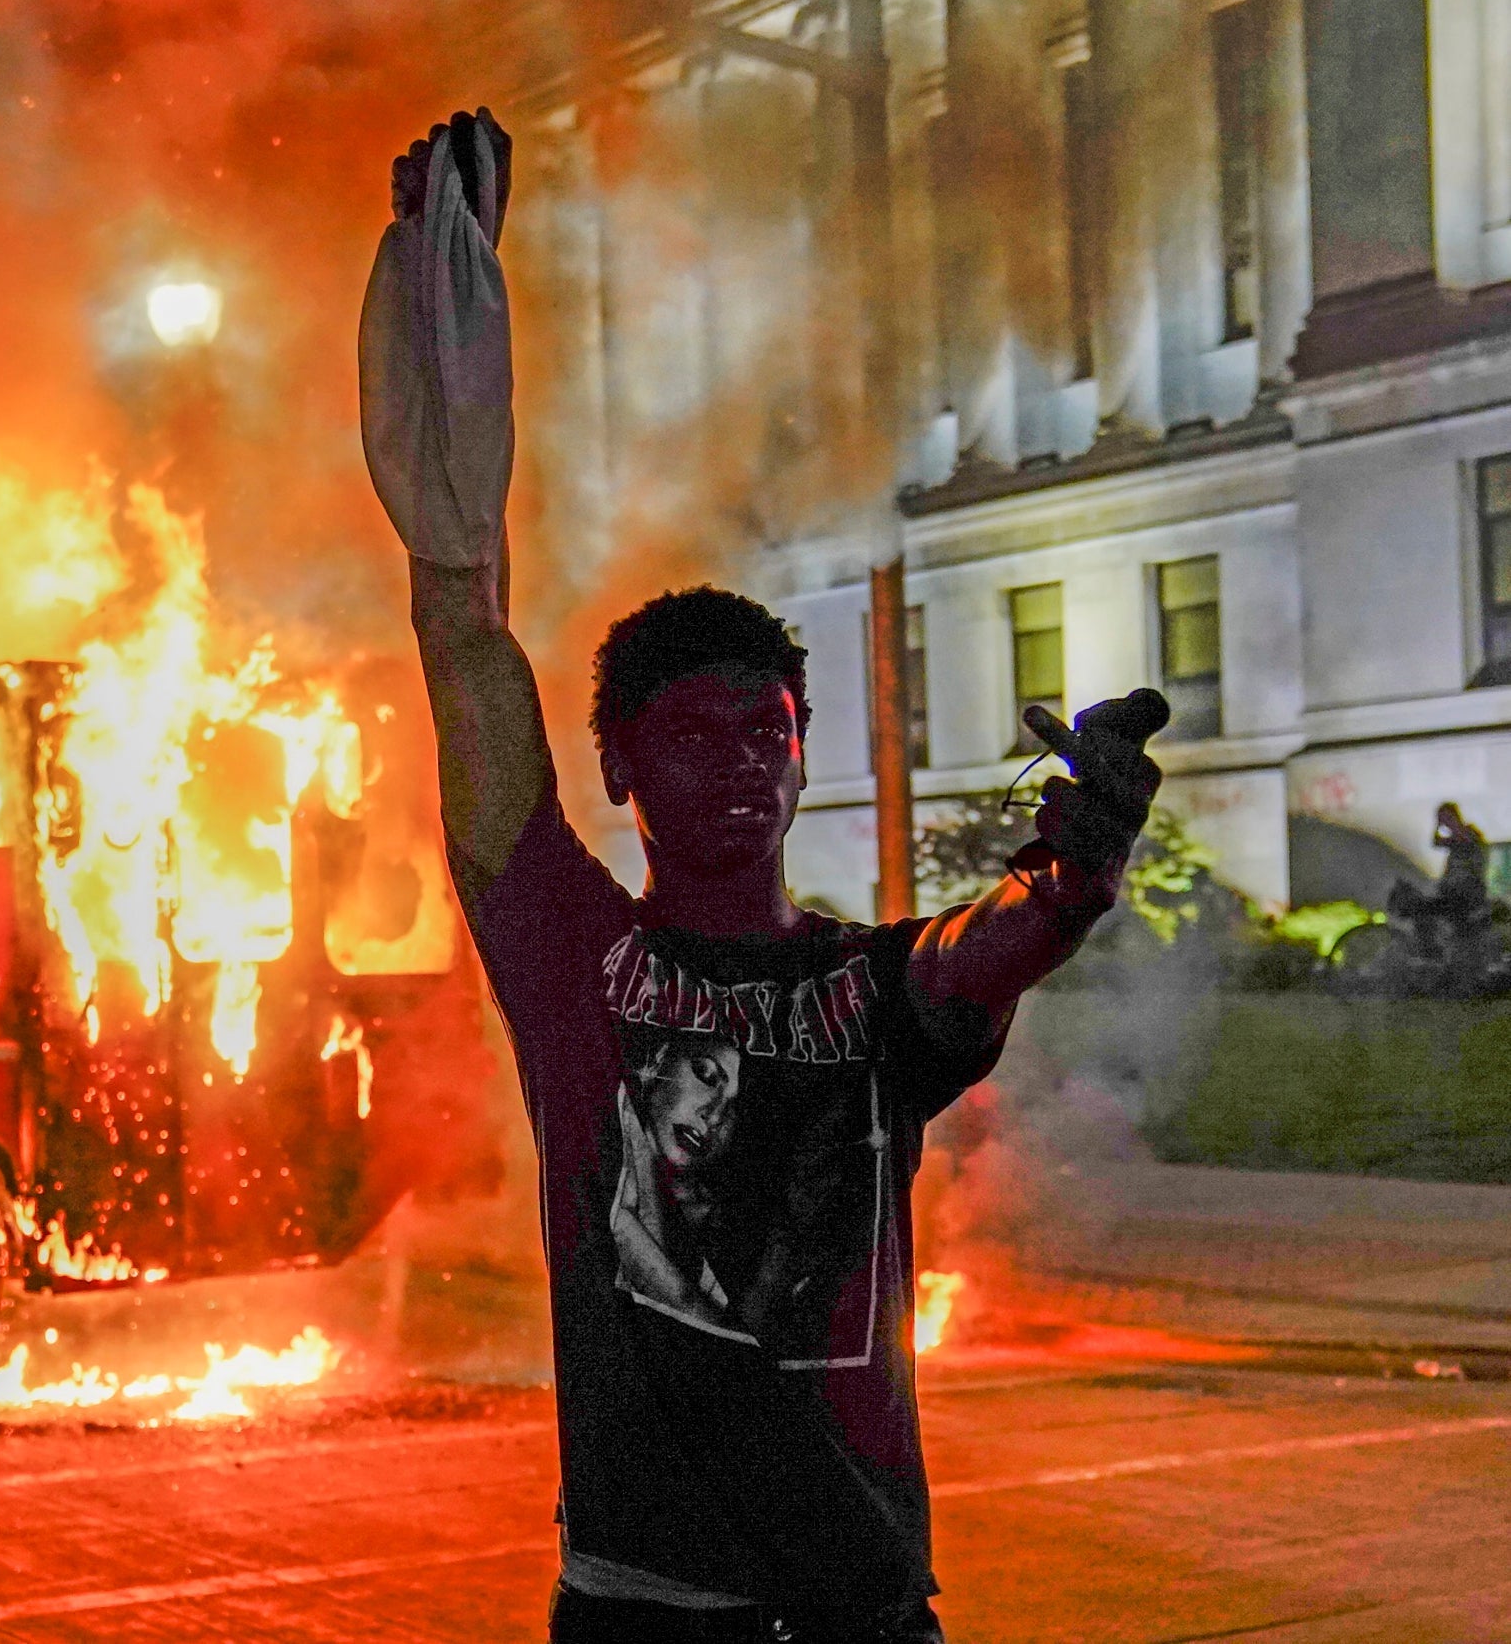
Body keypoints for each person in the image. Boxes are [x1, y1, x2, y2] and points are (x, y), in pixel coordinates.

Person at [361, 110, 1172, 1643]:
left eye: (772, 726)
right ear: (618, 768)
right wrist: (446, 326)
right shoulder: (571, 954)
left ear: (806, 755)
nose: (742, 757)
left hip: (863, 1603)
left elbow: (984, 948)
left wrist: (1077, 861)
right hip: (648, 1606)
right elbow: (463, 643)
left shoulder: (863, 990)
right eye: (693, 730)